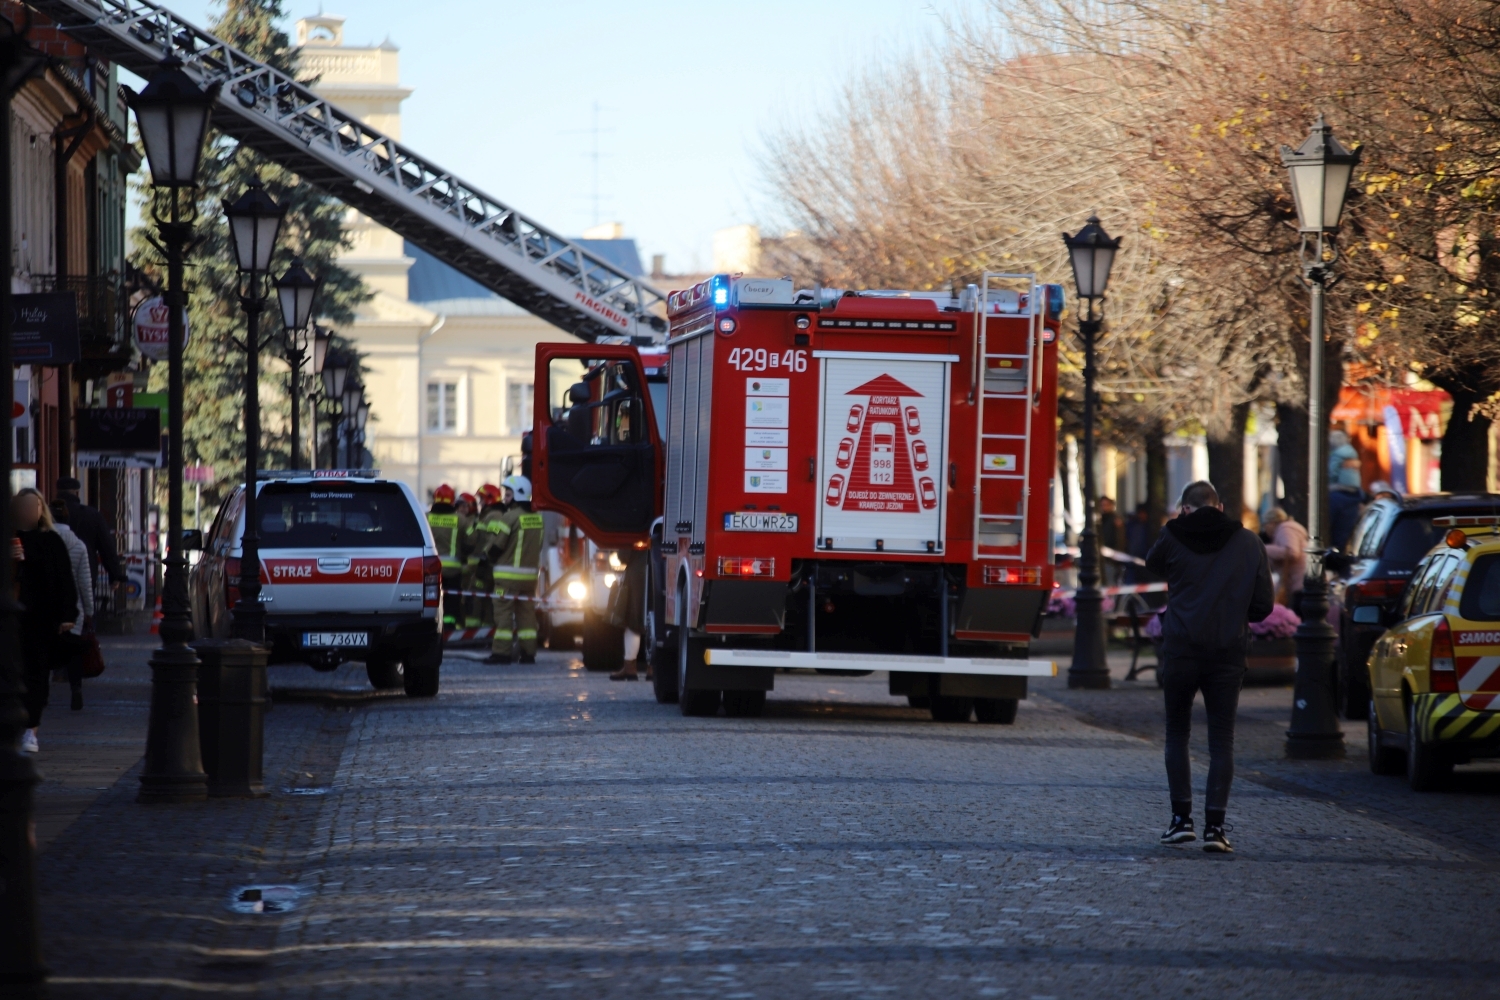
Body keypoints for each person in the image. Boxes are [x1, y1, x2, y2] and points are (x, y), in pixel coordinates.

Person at [1145, 480, 1273, 854]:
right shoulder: (1249, 542)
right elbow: (1263, 606)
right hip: (1227, 652)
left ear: (1185, 508)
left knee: (1177, 733)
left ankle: (1180, 821)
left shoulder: (1172, 535)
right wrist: (1235, 615)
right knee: (1222, 740)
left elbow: (1153, 564)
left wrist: (1174, 525)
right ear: (1220, 507)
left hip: (1182, 649)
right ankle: (1215, 828)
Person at [13, 488, 79, 753]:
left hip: (41, 620)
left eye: (34, 506)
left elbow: (65, 579)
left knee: (37, 675)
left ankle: (31, 730)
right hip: (12, 617)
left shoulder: (51, 540)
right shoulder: (10, 538)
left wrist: (68, 615)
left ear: (42, 510)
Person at [482, 476, 544, 664]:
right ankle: (528, 654)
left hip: (507, 578)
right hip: (530, 578)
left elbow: (496, 547)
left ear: (518, 495)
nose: (505, 499)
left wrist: (485, 559)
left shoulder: (509, 517)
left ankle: (501, 653)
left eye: (508, 495)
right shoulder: (538, 519)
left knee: (503, 615)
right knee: (527, 615)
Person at [50, 498, 95, 711]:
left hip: (47, 604)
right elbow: (85, 581)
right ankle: (76, 689)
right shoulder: (78, 545)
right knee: (73, 652)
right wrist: (89, 611)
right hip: (73, 607)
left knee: (45, 649)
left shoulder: (43, 541)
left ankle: (44, 694)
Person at [55, 476, 125, 600]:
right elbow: (106, 547)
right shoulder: (91, 515)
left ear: (57, 491)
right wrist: (114, 575)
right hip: (85, 572)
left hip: (52, 572)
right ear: (77, 492)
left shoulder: (46, 514)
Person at [426, 484, 465, 628]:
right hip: (453, 571)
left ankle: (433, 625)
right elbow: (470, 541)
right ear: (452, 501)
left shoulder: (426, 517)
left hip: (431, 569)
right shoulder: (460, 519)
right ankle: (449, 628)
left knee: (431, 599)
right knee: (452, 602)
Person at [607, 547, 648, 681]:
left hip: (637, 572)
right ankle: (653, 668)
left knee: (633, 622)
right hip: (662, 569)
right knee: (655, 621)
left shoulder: (637, 525)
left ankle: (630, 667)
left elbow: (624, 556)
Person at [467, 484, 504, 628]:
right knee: (485, 600)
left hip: (485, 567)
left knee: (476, 598)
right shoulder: (487, 516)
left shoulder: (494, 516)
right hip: (483, 566)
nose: (480, 502)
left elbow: (492, 540)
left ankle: (474, 631)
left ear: (489, 499)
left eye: (481, 499)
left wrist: (484, 560)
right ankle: (484, 630)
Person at [1262, 506, 1308, 607]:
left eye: (1265, 525)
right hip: (1300, 582)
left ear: (1272, 523)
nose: (1265, 530)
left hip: (1301, 583)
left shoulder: (1285, 529)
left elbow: (1292, 552)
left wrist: (1265, 549)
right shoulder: (1284, 530)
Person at [456, 492, 480, 626]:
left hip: (472, 569)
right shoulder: (458, 520)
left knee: (470, 600)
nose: (461, 509)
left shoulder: (475, 522)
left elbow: (473, 543)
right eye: (459, 506)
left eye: (465, 506)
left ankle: (469, 627)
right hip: (460, 565)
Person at [1096, 496, 1125, 587]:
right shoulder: (1100, 521)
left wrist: (1116, 554)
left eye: (1106, 505)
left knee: (1111, 583)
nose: (1104, 507)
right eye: (1102, 505)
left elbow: (1120, 539)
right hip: (1103, 558)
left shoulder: (1115, 520)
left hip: (1112, 559)